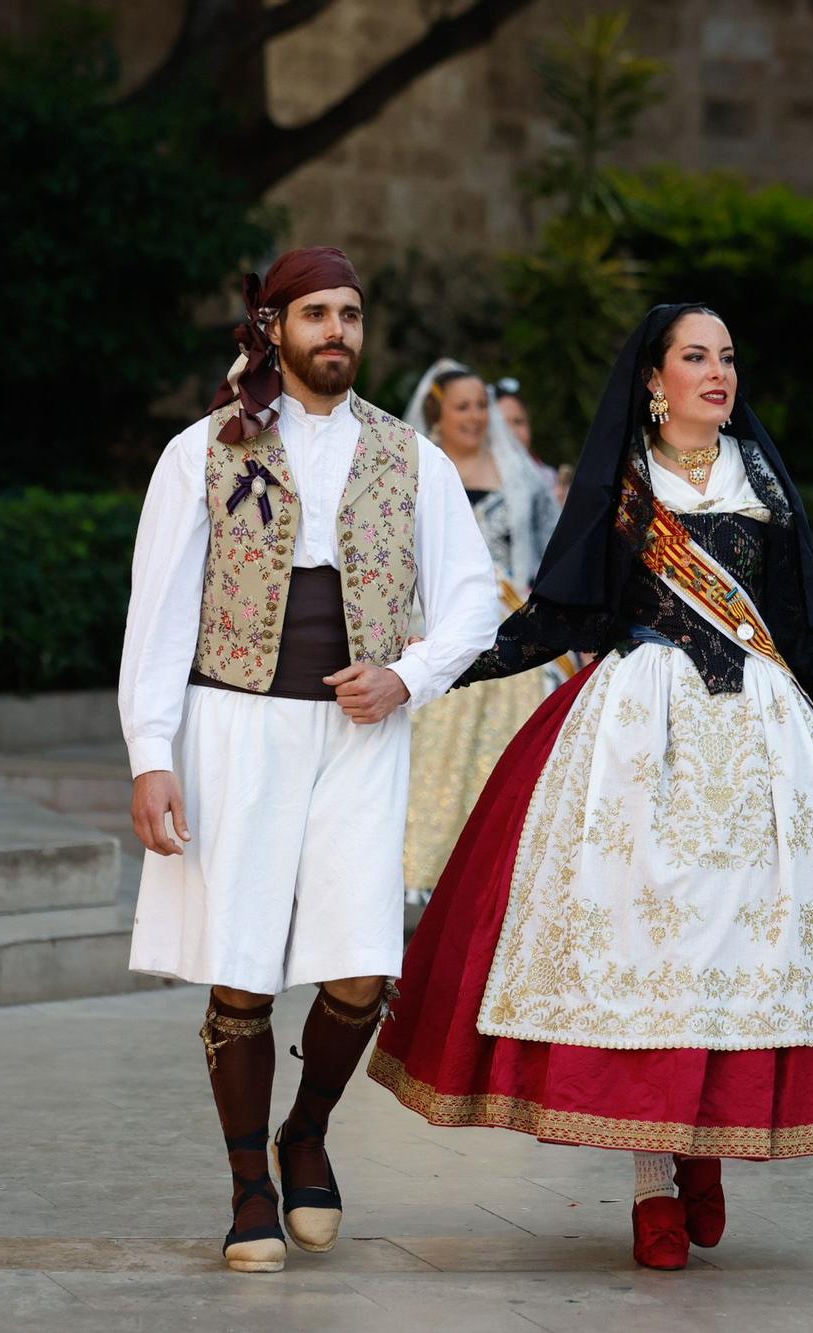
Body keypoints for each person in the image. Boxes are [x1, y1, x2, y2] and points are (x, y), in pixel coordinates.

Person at [364, 304, 813, 1272]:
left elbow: (810, 637)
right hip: (638, 746)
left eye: (728, 357)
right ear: (653, 379)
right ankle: (654, 1174)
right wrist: (423, 672)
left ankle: (703, 1146)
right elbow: (554, 614)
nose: (716, 372)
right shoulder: (621, 483)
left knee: (732, 955)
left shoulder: (763, 482)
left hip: (757, 753)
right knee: (650, 950)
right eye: (695, 356)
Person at [118, 247, 500, 1273]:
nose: (338, 331)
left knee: (363, 962)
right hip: (234, 727)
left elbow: (472, 593)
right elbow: (156, 615)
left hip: (360, 733)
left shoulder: (407, 456)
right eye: (318, 314)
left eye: (352, 315)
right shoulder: (202, 451)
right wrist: (151, 752)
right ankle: (249, 1186)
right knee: (240, 967)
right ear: (273, 326)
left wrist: (408, 676)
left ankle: (307, 1129)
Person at [398, 360, 564, 903]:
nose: (474, 416)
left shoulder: (521, 481)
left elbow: (548, 562)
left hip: (506, 643)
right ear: (437, 412)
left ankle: (492, 887)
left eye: (480, 406)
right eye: (462, 406)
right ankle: (419, 878)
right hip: (432, 634)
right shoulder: (417, 472)